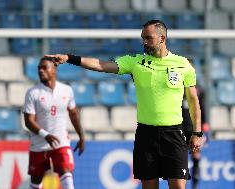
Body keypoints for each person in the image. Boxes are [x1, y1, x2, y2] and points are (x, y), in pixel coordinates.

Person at [45, 19, 202, 189]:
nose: (144, 42)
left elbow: (193, 100)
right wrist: (69, 58)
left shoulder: (183, 64)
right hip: (146, 134)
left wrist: (197, 132)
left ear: (162, 38)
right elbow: (101, 65)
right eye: (143, 38)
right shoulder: (135, 62)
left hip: (174, 134)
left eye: (148, 38)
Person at [23, 57, 85, 189]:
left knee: (66, 172)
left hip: (60, 142)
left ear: (54, 70)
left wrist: (81, 136)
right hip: (39, 145)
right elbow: (28, 121)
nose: (41, 70)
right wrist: (45, 135)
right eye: (39, 68)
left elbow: (73, 114)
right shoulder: (32, 93)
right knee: (35, 182)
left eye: (44, 67)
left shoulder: (66, 90)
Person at [182, 83, 209, 189]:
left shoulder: (198, 91)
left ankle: (195, 184)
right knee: (181, 159)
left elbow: (201, 108)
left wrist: (204, 126)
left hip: (194, 129)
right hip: (179, 129)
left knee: (196, 155)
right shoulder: (176, 89)